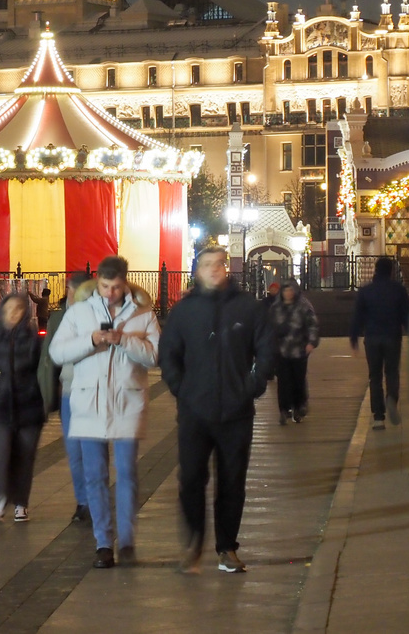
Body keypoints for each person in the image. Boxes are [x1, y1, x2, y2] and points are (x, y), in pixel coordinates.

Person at [159, 245, 273, 575]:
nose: (213, 270)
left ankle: (227, 548)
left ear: (227, 269)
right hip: (195, 411)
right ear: (197, 270)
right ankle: (194, 543)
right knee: (192, 478)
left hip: (236, 413)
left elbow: (266, 349)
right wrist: (181, 389)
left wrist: (252, 386)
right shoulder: (184, 312)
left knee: (232, 482)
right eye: (206, 264)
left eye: (219, 264)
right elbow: (169, 355)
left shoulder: (248, 308)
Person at [49, 256, 160, 569]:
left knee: (127, 473)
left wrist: (124, 341)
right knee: (94, 475)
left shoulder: (143, 313)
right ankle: (102, 543)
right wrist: (91, 340)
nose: (110, 293)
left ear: (126, 283)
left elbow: (154, 356)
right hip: (88, 403)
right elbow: (57, 352)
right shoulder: (79, 312)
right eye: (105, 286)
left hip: (127, 402)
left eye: (116, 287)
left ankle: (126, 540)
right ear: (97, 282)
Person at [0, 292, 45, 522]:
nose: (13, 313)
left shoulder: (33, 338)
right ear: (2, 310)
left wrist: (43, 397)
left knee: (25, 457)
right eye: (9, 309)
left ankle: (21, 503)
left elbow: (42, 371)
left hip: (28, 408)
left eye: (19, 309)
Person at [38, 270, 93, 524]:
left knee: (94, 450)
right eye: (72, 291)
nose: (73, 296)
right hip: (69, 391)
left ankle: (93, 499)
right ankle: (83, 501)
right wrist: (48, 396)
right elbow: (48, 360)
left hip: (94, 392)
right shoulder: (59, 319)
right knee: (75, 451)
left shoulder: (100, 315)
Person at [350, 256, 409, 430]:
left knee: (375, 376)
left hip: (372, 339)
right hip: (393, 337)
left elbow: (357, 316)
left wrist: (354, 338)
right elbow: (407, 315)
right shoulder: (398, 290)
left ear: (375, 270)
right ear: (391, 271)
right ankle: (391, 397)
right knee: (392, 372)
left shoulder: (366, 291)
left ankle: (378, 417)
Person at [269, 278, 319, 425]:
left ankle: (298, 407)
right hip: (282, 351)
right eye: (286, 290)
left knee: (298, 379)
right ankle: (284, 409)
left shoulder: (303, 306)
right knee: (283, 381)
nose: (288, 293)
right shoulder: (276, 308)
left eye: (291, 290)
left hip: (299, 350)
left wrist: (311, 342)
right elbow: (269, 328)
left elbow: (312, 325)